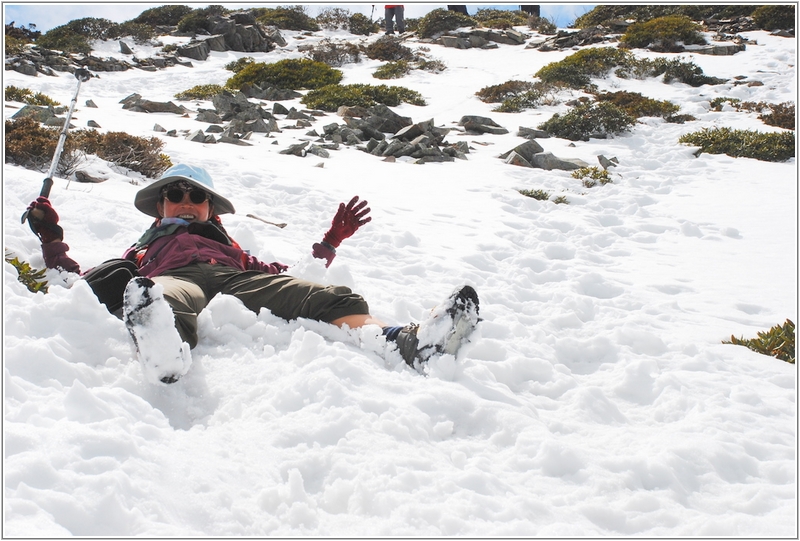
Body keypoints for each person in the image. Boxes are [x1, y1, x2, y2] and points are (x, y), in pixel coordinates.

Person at [26, 164, 479, 384]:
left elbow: (289, 275)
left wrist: (330, 242)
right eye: (174, 194)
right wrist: (51, 238)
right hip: (174, 275)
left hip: (235, 278)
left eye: (195, 195)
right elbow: (80, 286)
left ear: (208, 206)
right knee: (158, 297)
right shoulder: (143, 248)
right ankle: (166, 349)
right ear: (161, 206)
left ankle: (405, 343)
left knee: (334, 298)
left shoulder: (233, 248)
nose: (185, 200)